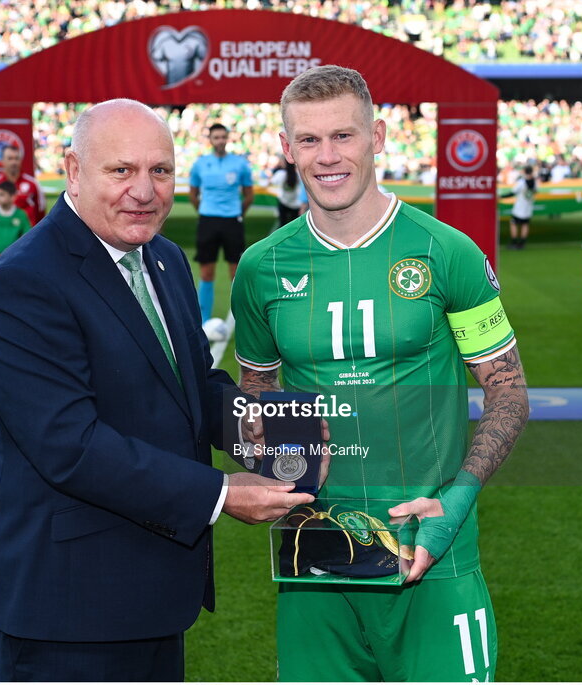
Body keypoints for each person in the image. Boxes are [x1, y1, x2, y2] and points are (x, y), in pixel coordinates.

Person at [0, 99, 315, 681]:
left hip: (153, 592)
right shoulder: (25, 280)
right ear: (74, 171)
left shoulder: (164, 259)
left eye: (160, 171)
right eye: (121, 171)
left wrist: (282, 428)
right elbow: (69, 445)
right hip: (67, 610)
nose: (145, 190)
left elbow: (193, 387)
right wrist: (221, 493)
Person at [232, 66, 529, 682]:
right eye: (309, 141)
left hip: (429, 543)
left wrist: (458, 499)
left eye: (344, 136)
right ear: (286, 149)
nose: (328, 156)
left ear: (379, 136)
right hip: (314, 554)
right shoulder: (261, 268)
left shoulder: (447, 252)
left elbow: (508, 391)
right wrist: (266, 465)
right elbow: (257, 397)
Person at [188, 123, 254, 322]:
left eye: (223, 137)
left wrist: (236, 213)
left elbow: (248, 195)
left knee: (236, 271)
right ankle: (204, 319)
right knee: (207, 272)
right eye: (216, 137)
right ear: (210, 140)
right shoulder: (200, 164)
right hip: (208, 221)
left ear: (228, 139)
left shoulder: (240, 164)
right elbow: (193, 194)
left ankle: (239, 320)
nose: (220, 141)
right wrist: (205, 211)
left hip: (232, 221)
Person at [0, 145, 46, 225]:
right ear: (2, 161)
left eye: (16, 158)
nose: (14, 162)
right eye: (10, 158)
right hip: (3, 233)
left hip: (27, 234)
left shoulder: (33, 184)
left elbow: (41, 212)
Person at [508, 163, 536, 249]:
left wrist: (501, 196)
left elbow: (513, 192)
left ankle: (514, 242)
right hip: (528, 206)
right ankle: (522, 243)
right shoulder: (535, 182)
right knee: (525, 225)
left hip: (520, 207)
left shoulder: (522, 182)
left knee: (513, 223)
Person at [269, 155, 302, 228]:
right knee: (295, 227)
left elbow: (270, 182)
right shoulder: (299, 175)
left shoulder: (280, 174)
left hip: (284, 202)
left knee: (282, 226)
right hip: (296, 204)